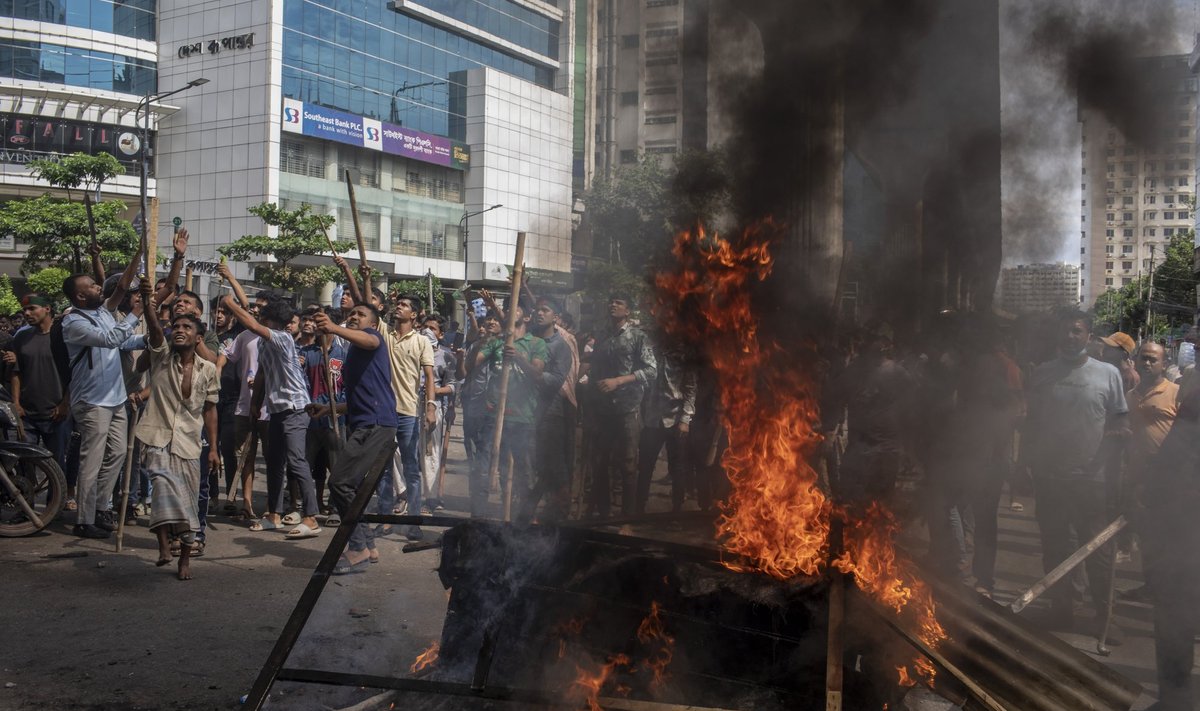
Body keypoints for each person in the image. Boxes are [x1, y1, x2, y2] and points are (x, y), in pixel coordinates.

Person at [1022, 311, 1127, 634]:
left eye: (1076, 331)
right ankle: (1061, 610)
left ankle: (1103, 617)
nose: (1070, 337)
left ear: (1089, 336)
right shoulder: (1042, 374)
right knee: (1055, 546)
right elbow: (1032, 425)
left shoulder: (1108, 374)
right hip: (1051, 478)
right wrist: (1024, 466)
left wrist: (1114, 457)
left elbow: (1120, 422)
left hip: (1093, 481)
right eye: (1065, 332)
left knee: (1098, 551)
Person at [135, 281, 219, 580]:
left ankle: (185, 557)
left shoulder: (207, 369)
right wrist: (149, 301)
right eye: (176, 326)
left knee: (188, 500)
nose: (180, 329)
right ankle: (162, 545)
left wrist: (214, 449)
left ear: (199, 336)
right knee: (161, 488)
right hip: (155, 436)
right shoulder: (160, 355)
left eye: (187, 326)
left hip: (189, 443)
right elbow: (156, 329)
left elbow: (210, 410)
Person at [61, 247, 145, 539]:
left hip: (116, 398)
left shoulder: (104, 312)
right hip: (92, 401)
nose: (100, 287)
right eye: (94, 286)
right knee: (91, 461)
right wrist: (136, 313)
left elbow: (124, 341)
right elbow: (111, 340)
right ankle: (84, 520)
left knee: (118, 454)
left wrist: (153, 338)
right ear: (81, 296)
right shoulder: (73, 323)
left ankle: (100, 507)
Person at [223, 294, 321, 539]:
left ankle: (311, 517)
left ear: (272, 321)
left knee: (297, 461)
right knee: (274, 462)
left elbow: (253, 325)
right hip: (276, 409)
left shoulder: (281, 338)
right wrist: (255, 403)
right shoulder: (264, 343)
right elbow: (264, 374)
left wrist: (231, 304)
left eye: (262, 316)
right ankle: (273, 515)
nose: (258, 318)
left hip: (296, 408)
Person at [313, 304, 395, 574]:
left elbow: (370, 338)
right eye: (352, 314)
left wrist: (335, 328)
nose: (354, 317)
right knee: (353, 486)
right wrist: (331, 408)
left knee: (340, 482)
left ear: (373, 322)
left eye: (361, 315)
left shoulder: (373, 339)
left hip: (375, 424)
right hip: (365, 421)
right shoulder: (354, 352)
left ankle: (357, 546)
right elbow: (362, 396)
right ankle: (368, 546)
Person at [585, 294, 656, 517]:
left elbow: (652, 370)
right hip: (603, 409)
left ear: (628, 311)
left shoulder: (638, 337)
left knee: (627, 463)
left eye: (619, 303)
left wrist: (620, 380)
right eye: (611, 301)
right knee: (600, 461)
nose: (612, 305)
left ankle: (628, 516)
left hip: (629, 408)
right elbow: (595, 369)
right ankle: (603, 512)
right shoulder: (603, 336)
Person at [475, 304, 547, 517]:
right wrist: (481, 342)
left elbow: (537, 375)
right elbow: (472, 365)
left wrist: (518, 357)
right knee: (486, 466)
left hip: (522, 417)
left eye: (518, 307)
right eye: (509, 308)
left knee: (522, 472)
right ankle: (482, 514)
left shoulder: (536, 343)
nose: (513, 310)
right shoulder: (497, 342)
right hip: (494, 415)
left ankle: (521, 515)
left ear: (526, 317)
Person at [10, 295, 72, 499]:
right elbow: (17, 372)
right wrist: (16, 403)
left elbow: (73, 374)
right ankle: (25, 507)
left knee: (56, 463)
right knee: (24, 462)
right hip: (27, 413)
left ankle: (55, 506)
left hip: (57, 413)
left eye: (32, 309)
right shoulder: (21, 337)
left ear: (47, 308)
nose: (27, 313)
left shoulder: (64, 336)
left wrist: (65, 403)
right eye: (24, 310)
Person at [517, 297, 572, 523]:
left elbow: (555, 380)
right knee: (531, 464)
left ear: (555, 317)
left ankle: (556, 512)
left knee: (552, 466)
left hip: (550, 413)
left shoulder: (561, 346)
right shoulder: (529, 340)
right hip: (525, 411)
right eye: (537, 310)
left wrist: (530, 369)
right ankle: (529, 512)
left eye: (545, 310)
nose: (540, 314)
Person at [636, 341, 696, 515]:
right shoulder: (651, 350)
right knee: (645, 465)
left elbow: (691, 389)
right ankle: (639, 508)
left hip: (675, 419)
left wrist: (685, 419)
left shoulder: (685, 355)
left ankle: (676, 511)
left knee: (677, 468)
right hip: (652, 419)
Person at [299, 307, 346, 516]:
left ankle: (336, 507)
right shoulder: (306, 354)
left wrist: (337, 407)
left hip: (335, 417)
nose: (317, 327)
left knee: (337, 466)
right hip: (311, 419)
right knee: (306, 464)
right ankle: (309, 506)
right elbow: (302, 384)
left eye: (322, 322)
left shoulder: (343, 354)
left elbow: (347, 387)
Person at [461, 311, 501, 516]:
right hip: (473, 408)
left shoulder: (504, 347)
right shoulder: (477, 345)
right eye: (488, 320)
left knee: (489, 460)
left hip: (496, 410)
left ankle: (487, 510)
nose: (492, 322)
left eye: (496, 319)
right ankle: (476, 507)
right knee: (475, 461)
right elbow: (467, 369)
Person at [416, 313, 456, 512]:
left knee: (430, 453)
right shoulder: (413, 348)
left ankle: (430, 498)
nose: (427, 331)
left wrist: (433, 392)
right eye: (425, 327)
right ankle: (406, 496)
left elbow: (453, 386)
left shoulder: (446, 355)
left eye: (433, 328)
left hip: (433, 406)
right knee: (407, 451)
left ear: (440, 334)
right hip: (410, 405)